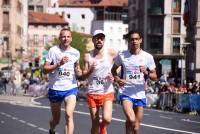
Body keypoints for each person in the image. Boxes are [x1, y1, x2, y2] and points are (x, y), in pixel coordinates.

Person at [111, 31, 157, 134]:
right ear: (129, 41)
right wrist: (118, 79)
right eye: (132, 39)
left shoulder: (148, 57)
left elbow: (155, 77)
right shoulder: (122, 55)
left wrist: (146, 72)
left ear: (141, 40)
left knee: (136, 128)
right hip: (125, 92)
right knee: (131, 119)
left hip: (140, 94)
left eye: (136, 39)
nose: (134, 41)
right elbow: (113, 70)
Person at [43, 28, 82, 134]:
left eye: (68, 36)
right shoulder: (53, 50)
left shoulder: (75, 53)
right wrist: (58, 64)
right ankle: (52, 129)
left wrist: (79, 72)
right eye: (63, 36)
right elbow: (45, 69)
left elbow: (77, 69)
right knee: (56, 120)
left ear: (71, 38)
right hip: (55, 89)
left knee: (69, 115)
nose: (66, 39)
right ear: (60, 38)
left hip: (70, 88)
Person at [82, 30, 117, 134]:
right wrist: (90, 70)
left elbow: (119, 66)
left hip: (107, 91)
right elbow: (84, 74)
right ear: (93, 40)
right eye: (97, 38)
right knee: (95, 122)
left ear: (104, 40)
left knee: (107, 119)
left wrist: (114, 75)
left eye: (101, 38)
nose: (99, 40)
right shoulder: (88, 55)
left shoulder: (111, 53)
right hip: (92, 92)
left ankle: (103, 128)